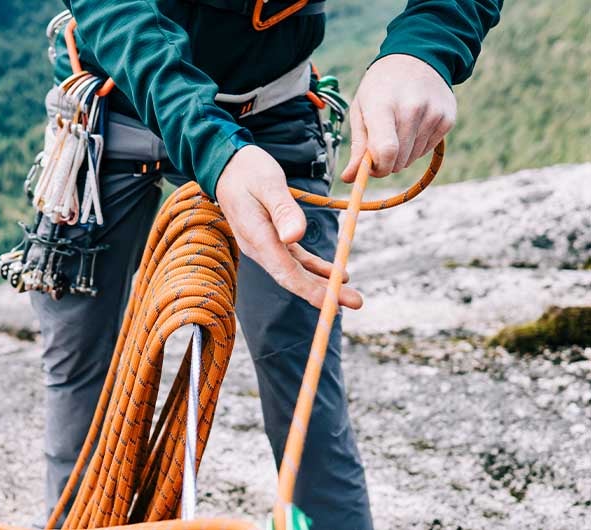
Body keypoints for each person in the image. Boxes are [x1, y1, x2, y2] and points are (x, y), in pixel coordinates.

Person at [31, 1, 502, 528]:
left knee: (303, 367)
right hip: (118, 91)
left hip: (270, 105)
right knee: (79, 365)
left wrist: (426, 44)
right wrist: (215, 149)